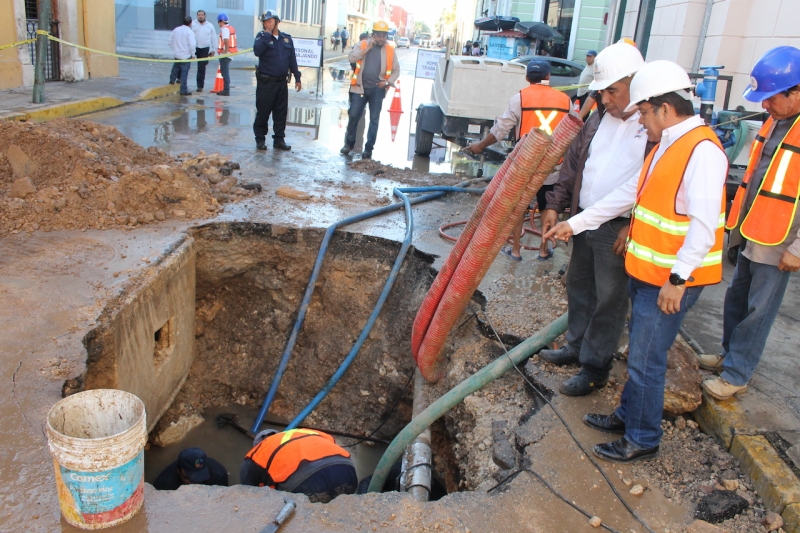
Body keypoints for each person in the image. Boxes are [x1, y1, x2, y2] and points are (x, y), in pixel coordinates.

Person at [544, 60, 728, 463]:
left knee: (646, 360)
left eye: (644, 112)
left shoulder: (701, 152)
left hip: (669, 280)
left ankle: (642, 438)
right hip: (648, 273)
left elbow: (703, 226)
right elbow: (630, 192)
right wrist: (575, 224)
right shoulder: (669, 145)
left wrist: (678, 279)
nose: (640, 120)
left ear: (665, 107)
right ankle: (628, 416)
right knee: (641, 355)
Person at [537, 41, 649, 396]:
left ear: (636, 82)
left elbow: (653, 183)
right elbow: (574, 164)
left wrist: (636, 225)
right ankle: (576, 345)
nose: (605, 99)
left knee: (610, 298)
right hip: (582, 217)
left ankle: (595, 367)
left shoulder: (651, 127)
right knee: (579, 285)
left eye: (612, 91)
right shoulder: (599, 117)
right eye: (601, 92)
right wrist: (554, 203)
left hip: (617, 228)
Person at [698, 46, 800, 399]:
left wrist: (798, 249)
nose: (765, 106)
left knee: (759, 310)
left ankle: (738, 373)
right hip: (750, 229)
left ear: (797, 91)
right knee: (736, 299)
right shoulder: (775, 122)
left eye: (771, 98)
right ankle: (729, 355)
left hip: (780, 240)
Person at [465, 59, 572, 261]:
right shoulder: (565, 100)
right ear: (548, 77)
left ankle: (515, 250)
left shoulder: (519, 98)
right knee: (548, 208)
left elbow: (501, 130)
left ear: (527, 78)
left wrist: (480, 145)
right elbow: (574, 130)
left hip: (526, 165)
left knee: (518, 209)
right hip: (553, 166)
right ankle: (542, 250)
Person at [240, 428, 357, 503]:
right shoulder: (306, 432)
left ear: (257, 445)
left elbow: (248, 494)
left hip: (308, 482)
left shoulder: (257, 453)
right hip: (346, 470)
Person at [340, 21, 400, 159]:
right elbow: (352, 57)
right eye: (378, 35)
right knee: (354, 115)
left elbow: (396, 70)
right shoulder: (362, 44)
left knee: (374, 119)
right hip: (359, 88)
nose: (381, 39)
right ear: (373, 35)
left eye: (384, 36)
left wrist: (386, 82)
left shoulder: (390, 49)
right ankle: (349, 144)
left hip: (377, 90)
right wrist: (367, 48)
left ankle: (368, 149)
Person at [253, 10, 302, 152]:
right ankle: (260, 140)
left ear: (277, 22)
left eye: (269, 21)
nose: (267, 24)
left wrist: (297, 77)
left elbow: (292, 59)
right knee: (263, 112)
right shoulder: (262, 37)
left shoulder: (286, 39)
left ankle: (279, 140)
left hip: (281, 83)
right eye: (265, 22)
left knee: (281, 113)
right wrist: (266, 36)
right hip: (266, 83)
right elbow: (257, 51)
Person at [153, 447, 228, 490]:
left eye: (200, 478)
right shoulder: (166, 483)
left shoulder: (218, 474)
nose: (195, 484)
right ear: (179, 470)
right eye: (190, 479)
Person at [168, 17, 196, 96]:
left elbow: (169, 41)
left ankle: (172, 80)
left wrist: (175, 48)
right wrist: (193, 54)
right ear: (190, 23)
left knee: (175, 67)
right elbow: (192, 45)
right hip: (186, 56)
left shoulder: (176, 29)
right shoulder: (190, 32)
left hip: (177, 54)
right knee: (184, 73)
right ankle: (183, 90)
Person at [191, 10, 216, 93]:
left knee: (201, 68)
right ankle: (180, 80)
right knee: (185, 64)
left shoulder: (210, 26)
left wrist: (213, 49)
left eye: (202, 15)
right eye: (199, 15)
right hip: (194, 47)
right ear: (197, 16)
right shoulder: (193, 24)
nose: (200, 16)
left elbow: (213, 39)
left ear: (205, 16)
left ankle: (200, 86)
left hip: (204, 49)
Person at [215, 13, 237, 96]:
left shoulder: (224, 29)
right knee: (225, 72)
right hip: (230, 53)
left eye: (218, 22)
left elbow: (226, 40)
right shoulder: (231, 28)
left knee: (225, 72)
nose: (218, 24)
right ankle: (226, 89)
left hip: (226, 54)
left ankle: (226, 90)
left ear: (221, 21)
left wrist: (225, 51)